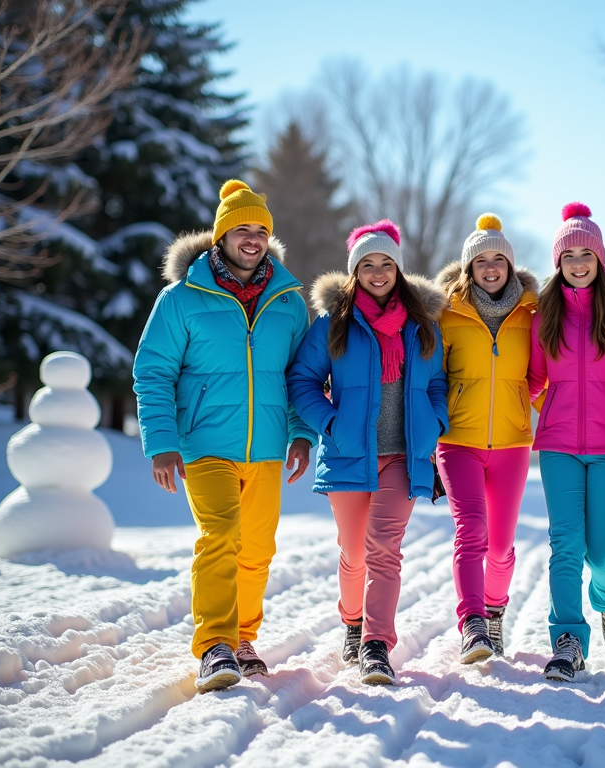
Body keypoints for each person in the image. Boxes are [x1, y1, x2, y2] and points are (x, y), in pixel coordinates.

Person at [134, 180, 317, 692]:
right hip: (203, 443)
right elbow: (153, 371)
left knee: (257, 548)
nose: (253, 238)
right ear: (221, 236)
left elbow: (303, 374)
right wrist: (162, 442)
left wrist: (302, 435)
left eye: (261, 229)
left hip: (266, 447)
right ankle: (214, 645)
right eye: (242, 229)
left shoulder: (288, 301)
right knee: (220, 537)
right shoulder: (181, 298)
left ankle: (242, 638)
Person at [286, 220, 448, 686]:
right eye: (368, 264)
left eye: (387, 263)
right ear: (356, 271)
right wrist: (330, 422)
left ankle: (377, 645)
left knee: (384, 549)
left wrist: (435, 421)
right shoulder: (332, 324)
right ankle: (352, 624)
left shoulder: (421, 327)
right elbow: (303, 381)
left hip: (402, 454)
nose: (378, 272)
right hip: (349, 453)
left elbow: (438, 383)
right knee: (354, 551)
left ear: (398, 268)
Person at [528, 202, 605, 682]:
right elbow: (532, 380)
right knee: (565, 545)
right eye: (568, 254)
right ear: (557, 262)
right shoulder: (544, 316)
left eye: (586, 253)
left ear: (599, 258)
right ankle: (569, 639)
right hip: (558, 445)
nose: (577, 263)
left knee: (600, 550)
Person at [435, 214, 539, 664]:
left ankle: (494, 611)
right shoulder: (447, 313)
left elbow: (540, 376)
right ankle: (472, 622)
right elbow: (432, 377)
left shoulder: (530, 313)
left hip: (513, 443)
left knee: (500, 545)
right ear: (468, 268)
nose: (491, 267)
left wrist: (520, 398)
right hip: (458, 440)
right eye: (482, 260)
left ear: (511, 266)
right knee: (470, 530)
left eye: (500, 259)